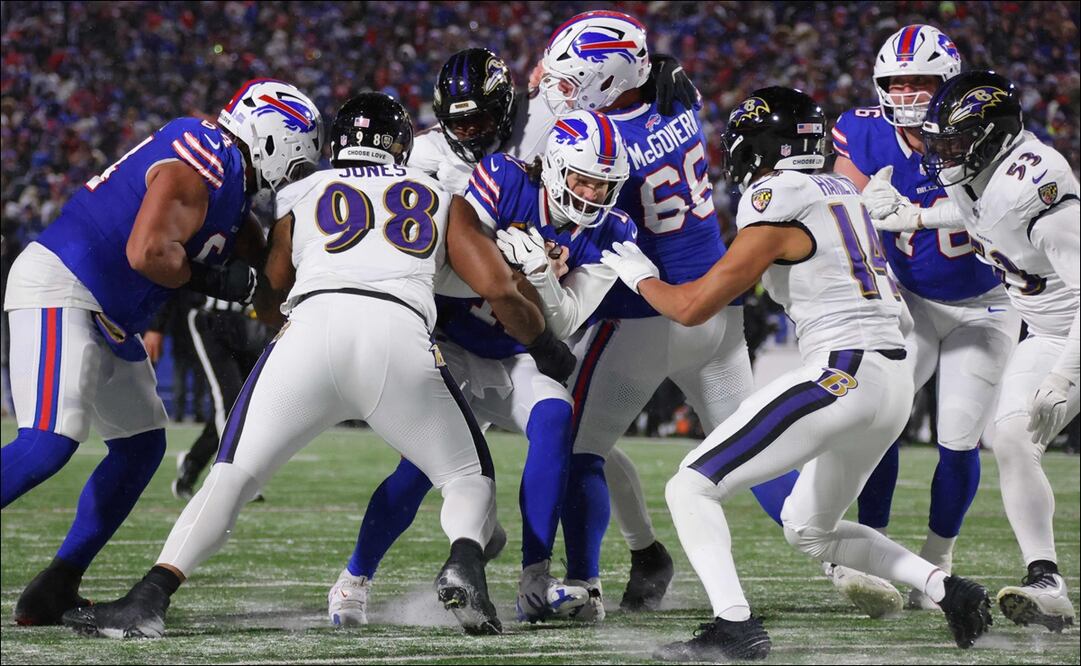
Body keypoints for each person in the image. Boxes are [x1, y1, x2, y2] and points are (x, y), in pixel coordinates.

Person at [61, 91, 575, 639]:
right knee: (468, 477)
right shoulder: (441, 195)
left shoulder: (301, 190)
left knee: (232, 477)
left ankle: (150, 596)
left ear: (335, 144)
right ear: (401, 145)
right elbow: (497, 287)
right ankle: (465, 560)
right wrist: (546, 346)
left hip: (310, 332)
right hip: (398, 337)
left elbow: (276, 280)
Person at [600, 86, 994, 660]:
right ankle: (948, 589)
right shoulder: (843, 189)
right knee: (810, 529)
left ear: (762, 147)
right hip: (890, 382)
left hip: (842, 369)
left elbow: (690, 307)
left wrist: (640, 277)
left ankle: (734, 625)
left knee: (690, 485)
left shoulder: (776, 195)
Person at [330, 44, 705, 625]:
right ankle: (354, 577)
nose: (595, 197)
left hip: (518, 351)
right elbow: (442, 262)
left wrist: (536, 280)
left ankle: (538, 576)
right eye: (584, 181)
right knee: (419, 467)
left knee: (563, 423)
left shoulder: (608, 221)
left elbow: (561, 323)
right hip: (451, 340)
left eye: (607, 186)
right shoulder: (492, 173)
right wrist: (503, 270)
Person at [1, 78, 323, 626]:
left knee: (141, 447)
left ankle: (56, 585)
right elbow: (148, 251)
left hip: (110, 313)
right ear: (276, 139)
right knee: (47, 442)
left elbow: (269, 287)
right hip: (66, 283)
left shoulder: (233, 193)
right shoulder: (204, 154)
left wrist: (311, 315)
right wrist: (222, 281)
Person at [537, 10, 799, 613]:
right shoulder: (681, 104)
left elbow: (578, 205)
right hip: (718, 310)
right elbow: (649, 77)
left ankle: (584, 581)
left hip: (646, 313)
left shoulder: (604, 144)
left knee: (577, 451)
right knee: (754, 452)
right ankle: (841, 556)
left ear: (608, 79)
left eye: (574, 78)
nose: (562, 90)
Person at [868, 70, 1079, 632]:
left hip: (1073, 332)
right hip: (1047, 328)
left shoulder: (1041, 192)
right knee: (1009, 438)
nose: (944, 154)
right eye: (940, 142)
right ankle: (1048, 582)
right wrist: (911, 216)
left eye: (955, 142)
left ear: (994, 137)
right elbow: (976, 215)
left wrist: (1063, 375)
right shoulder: (982, 172)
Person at [827, 24, 1021, 615]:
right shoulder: (862, 132)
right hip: (907, 302)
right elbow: (839, 214)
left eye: (922, 81)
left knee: (958, 438)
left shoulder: (988, 133)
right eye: (898, 82)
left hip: (984, 305)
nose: (909, 94)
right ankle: (872, 549)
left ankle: (937, 562)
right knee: (878, 421)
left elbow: (1001, 212)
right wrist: (858, 204)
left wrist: (912, 215)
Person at [143, 291, 273, 501]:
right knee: (230, 404)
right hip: (210, 320)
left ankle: (192, 463)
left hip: (248, 323)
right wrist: (156, 326)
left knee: (242, 406)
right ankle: (235, 476)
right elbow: (175, 279)